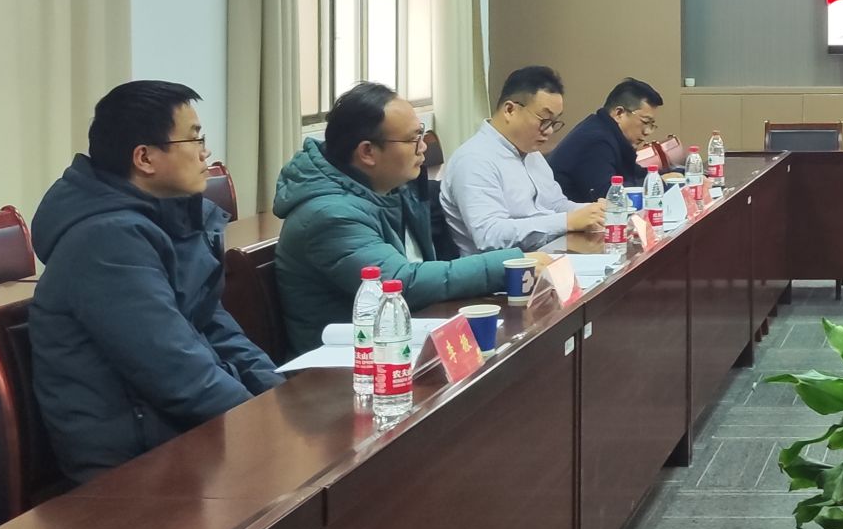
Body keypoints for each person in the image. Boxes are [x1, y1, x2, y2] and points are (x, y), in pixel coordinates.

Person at [28, 81, 284, 484]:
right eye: (194, 139)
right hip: (132, 469)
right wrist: (262, 427)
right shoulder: (106, 242)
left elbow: (215, 327)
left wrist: (278, 398)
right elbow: (176, 371)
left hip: (179, 436)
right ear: (145, 158)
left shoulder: (165, 220)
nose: (205, 153)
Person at [274, 83, 550, 358]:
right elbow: (399, 283)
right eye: (413, 139)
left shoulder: (393, 188)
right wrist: (506, 265)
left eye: (422, 134)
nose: (423, 148)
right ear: (367, 152)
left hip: (403, 336)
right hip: (344, 361)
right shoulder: (329, 215)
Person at [441, 66, 608, 255]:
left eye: (553, 122)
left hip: (549, 256)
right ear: (510, 110)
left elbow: (556, 205)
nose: (549, 131)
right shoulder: (473, 160)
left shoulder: (531, 153)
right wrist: (567, 221)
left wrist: (596, 212)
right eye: (544, 120)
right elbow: (489, 235)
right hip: (506, 269)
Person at [550, 78, 665, 203]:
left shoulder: (608, 132)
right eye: (645, 122)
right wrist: (658, 184)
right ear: (619, 113)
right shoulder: (596, 141)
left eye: (651, 125)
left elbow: (634, 174)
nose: (647, 131)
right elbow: (609, 196)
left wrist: (663, 177)